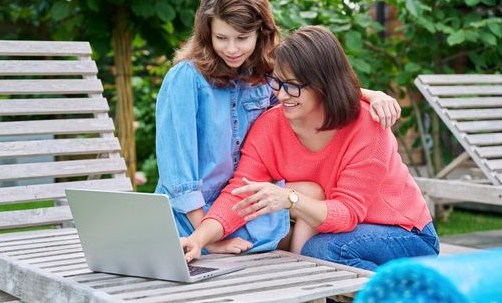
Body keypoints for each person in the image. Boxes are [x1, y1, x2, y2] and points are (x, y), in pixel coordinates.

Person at [155, 0, 402, 255]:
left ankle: (303, 269)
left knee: (312, 191)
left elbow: (313, 90)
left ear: (261, 33)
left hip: (241, 202)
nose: (232, 49)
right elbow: (179, 177)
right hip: (192, 214)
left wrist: (370, 95)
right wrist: (208, 239)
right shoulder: (187, 79)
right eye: (221, 38)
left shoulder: (265, 77)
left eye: (242, 38)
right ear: (207, 34)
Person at [181, 25, 439, 271]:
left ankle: (416, 290)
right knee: (314, 250)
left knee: (321, 252)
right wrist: (199, 239)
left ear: (322, 84)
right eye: (277, 83)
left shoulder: (368, 125)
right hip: (343, 235)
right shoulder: (270, 126)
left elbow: (348, 213)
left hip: (406, 234)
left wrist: (290, 199)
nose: (281, 95)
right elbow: (240, 192)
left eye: (292, 86)